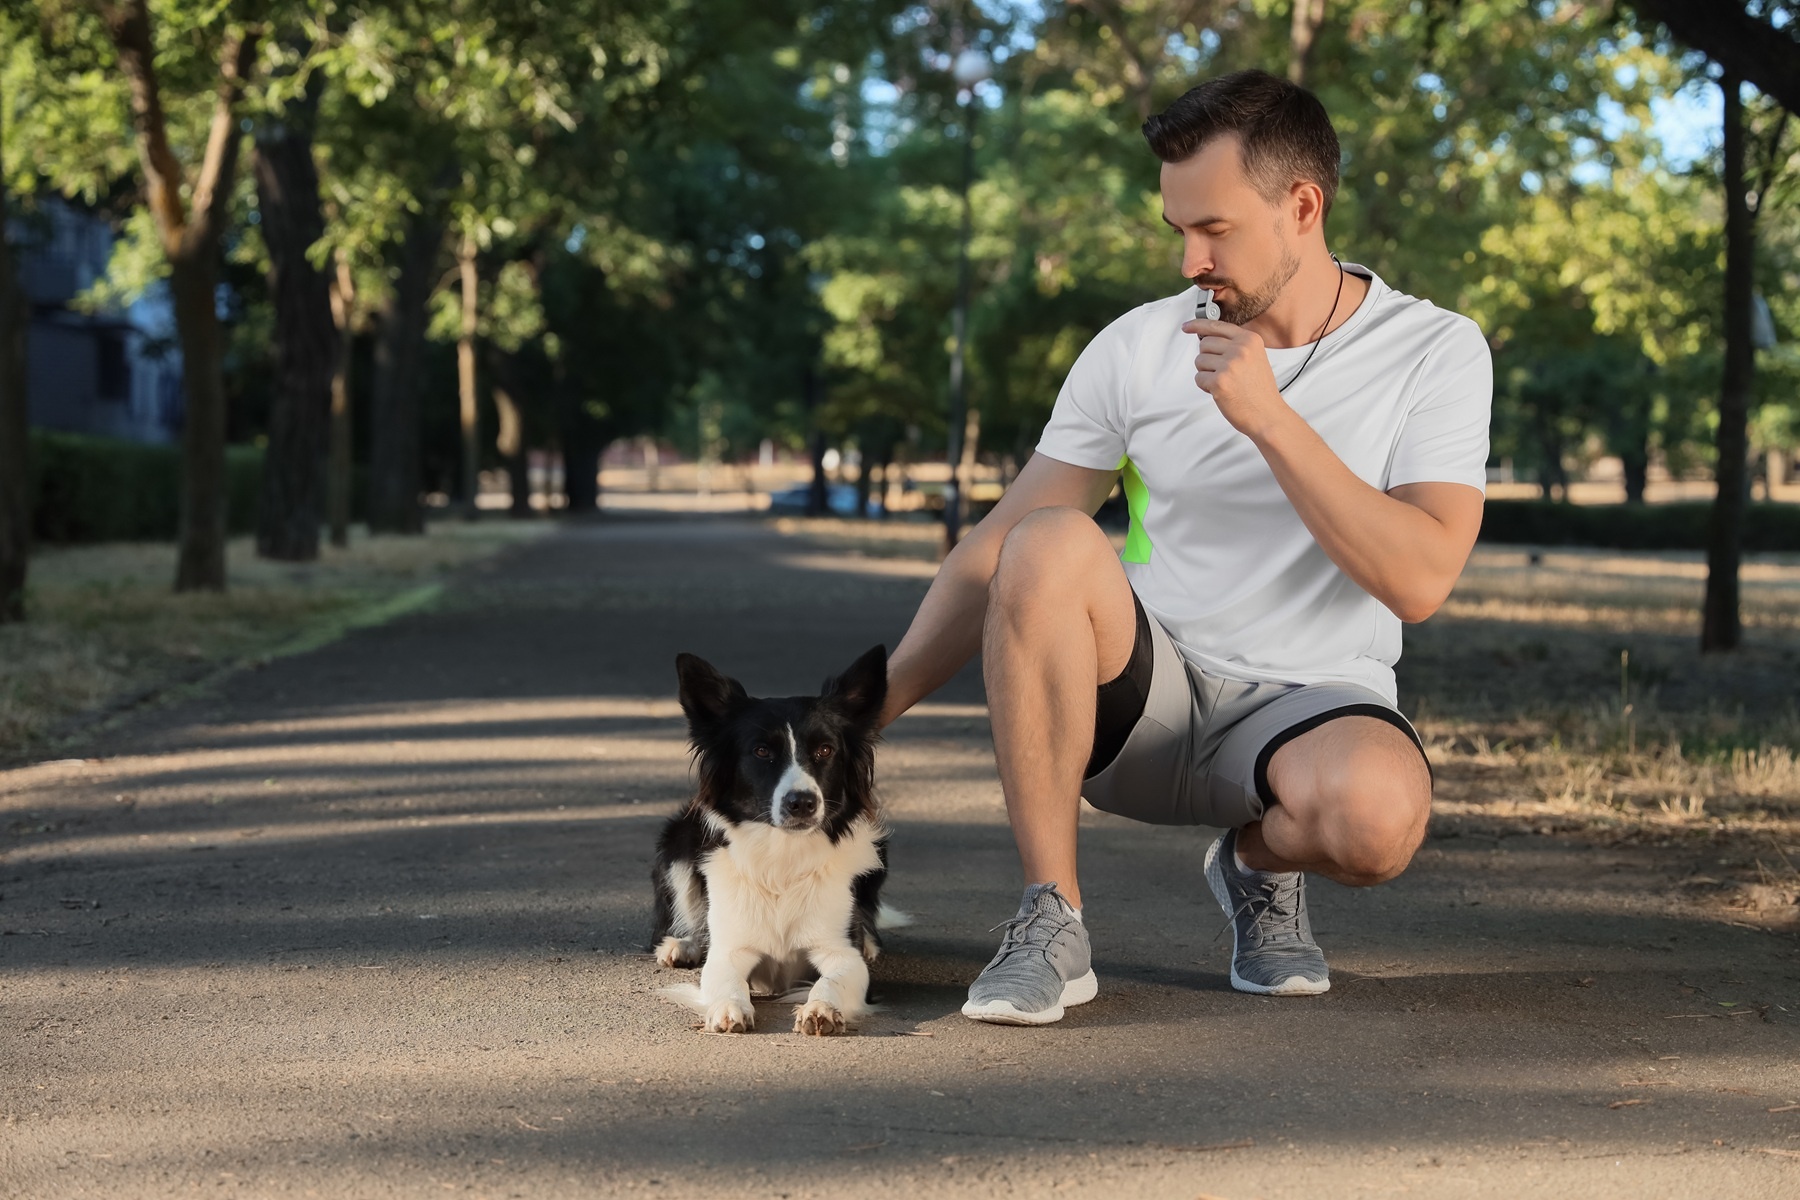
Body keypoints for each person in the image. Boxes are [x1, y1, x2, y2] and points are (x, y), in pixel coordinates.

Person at [875, 68, 1492, 1025]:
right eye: (1179, 232)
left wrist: (1272, 421)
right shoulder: (1134, 347)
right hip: (1144, 696)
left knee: (1377, 823)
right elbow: (992, 549)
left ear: (1301, 206)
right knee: (1043, 543)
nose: (1190, 263)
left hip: (1310, 702)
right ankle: (1052, 917)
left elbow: (1419, 579)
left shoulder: (1435, 350)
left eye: (1215, 231)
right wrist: (863, 715)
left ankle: (1254, 867)